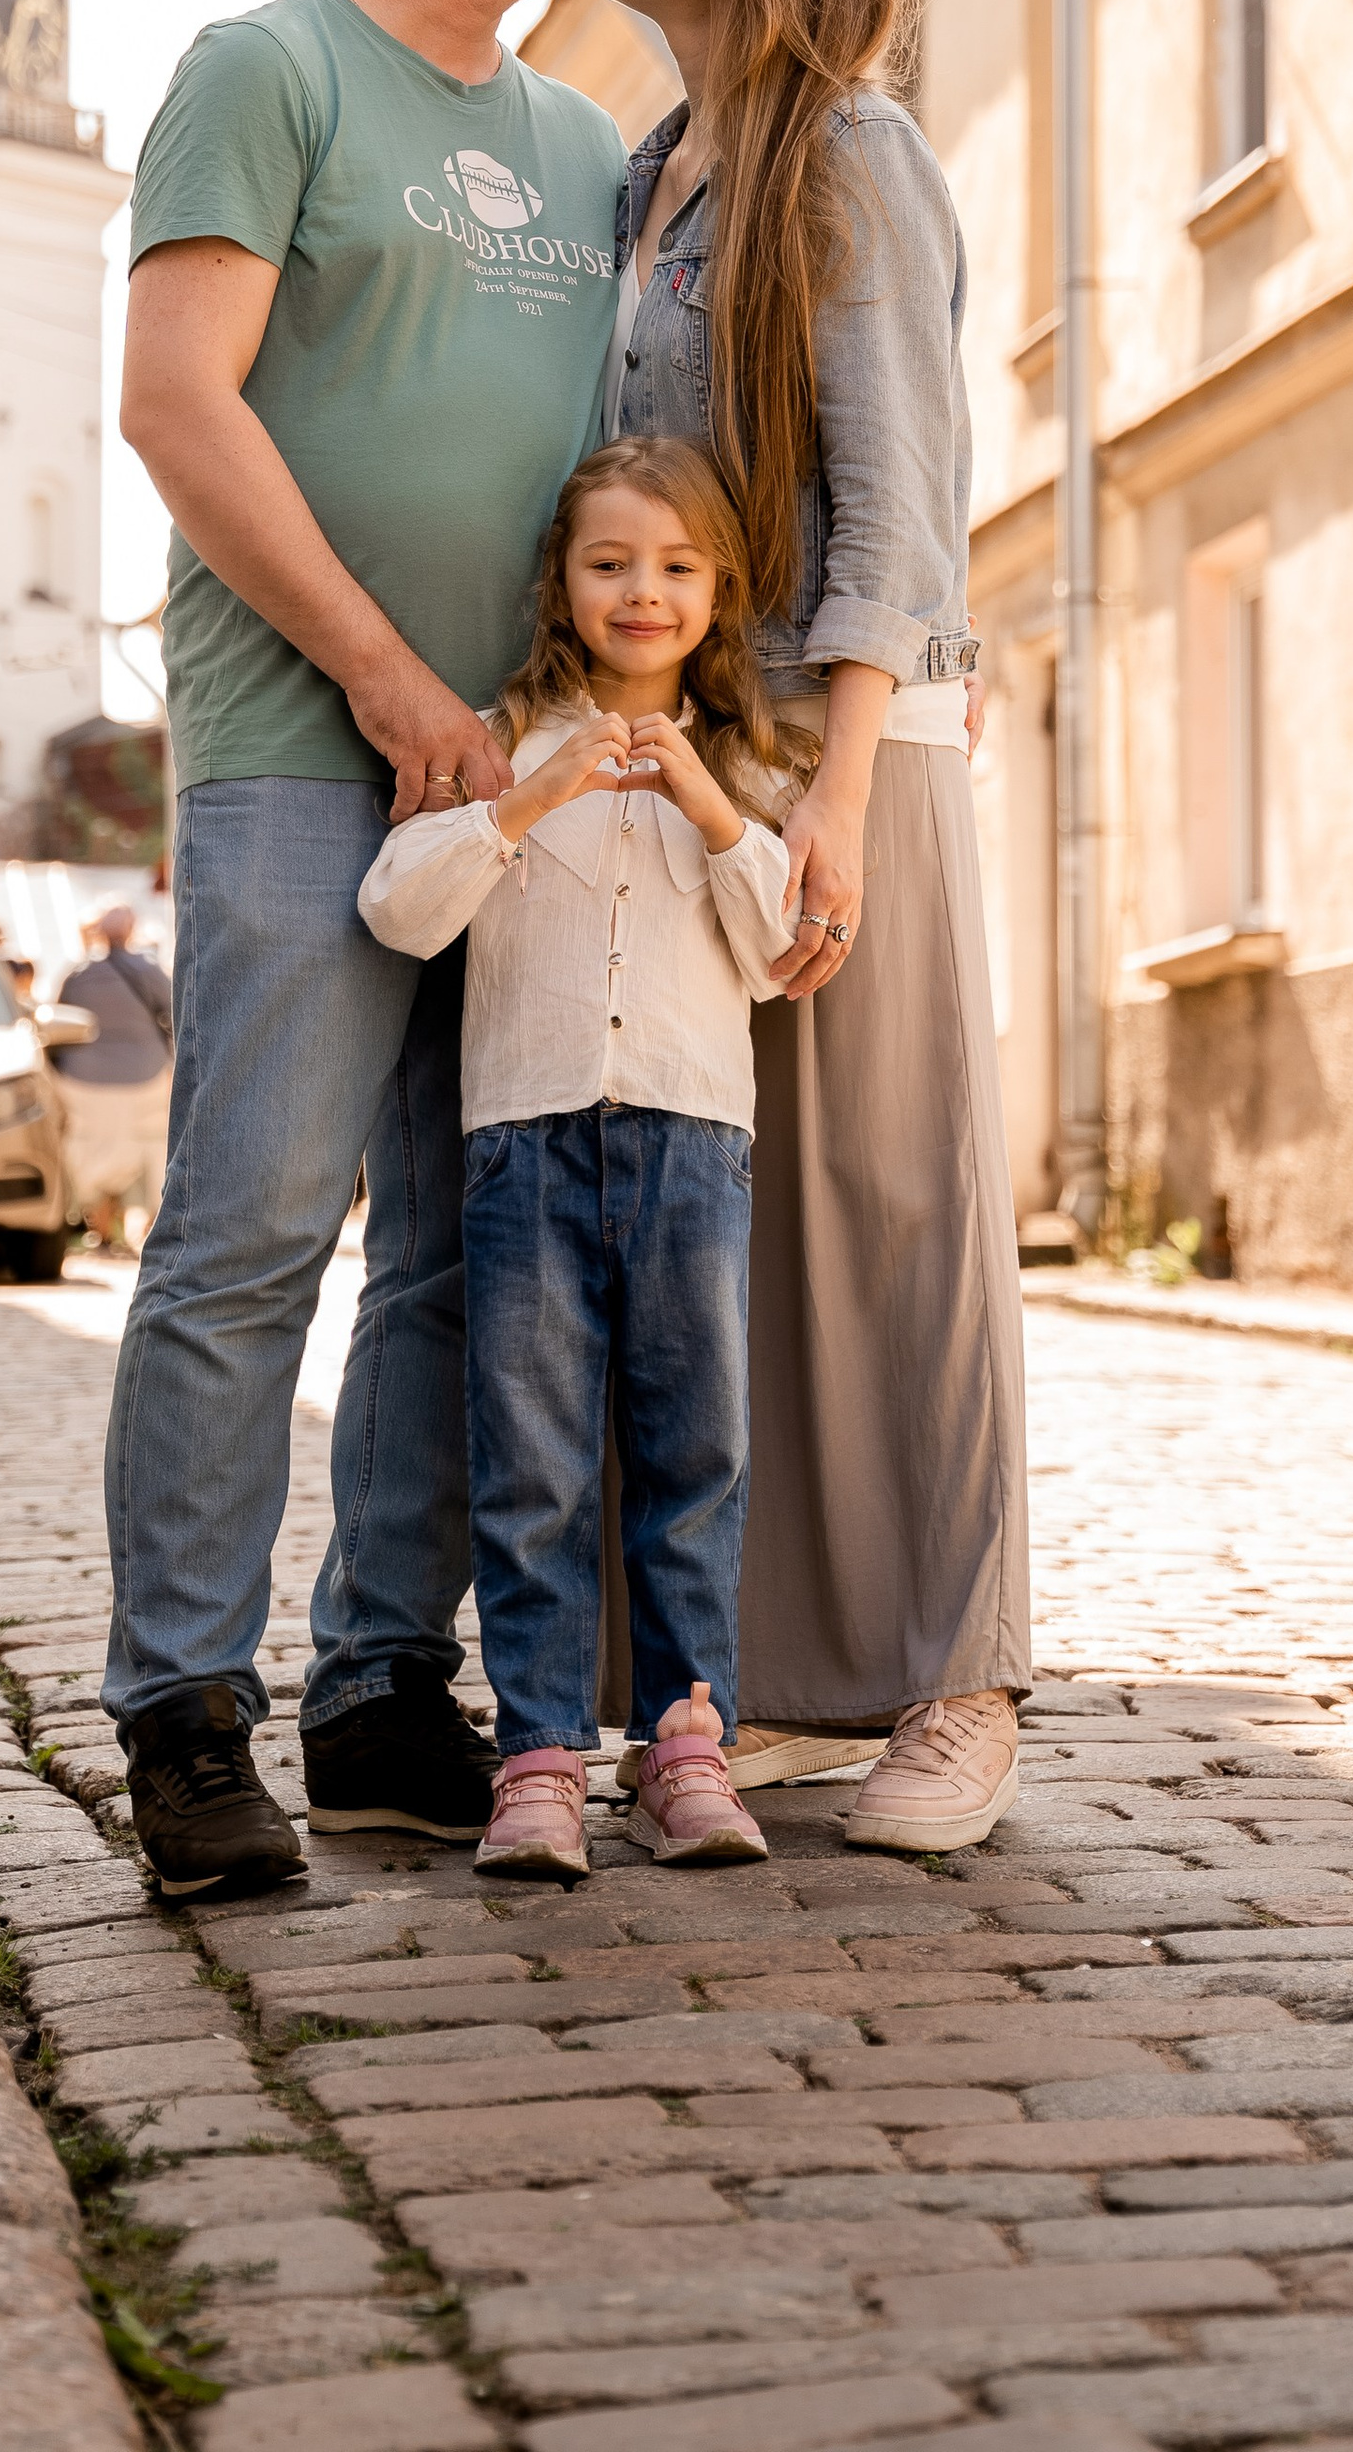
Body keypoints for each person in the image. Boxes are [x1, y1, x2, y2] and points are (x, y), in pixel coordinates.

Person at [105, 0, 632, 1898]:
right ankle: (179, 1712)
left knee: (453, 1259)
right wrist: (392, 680)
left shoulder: (587, 144)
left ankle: (382, 1690)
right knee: (248, 1235)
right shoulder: (269, 71)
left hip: (519, 796)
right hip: (303, 765)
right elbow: (176, 403)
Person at [600, 0, 1028, 1853]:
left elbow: (900, 497)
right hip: (696, 756)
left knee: (895, 1206)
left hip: (851, 744)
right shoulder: (643, 179)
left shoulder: (854, 154)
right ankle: (775, 1676)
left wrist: (839, 792)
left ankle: (960, 1686)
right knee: (732, 1228)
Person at [360, 439, 798, 1884]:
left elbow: (784, 954)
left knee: (694, 1456)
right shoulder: (499, 736)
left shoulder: (748, 758)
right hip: (524, 1147)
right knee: (531, 1464)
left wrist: (710, 806)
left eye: (676, 566)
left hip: (691, 1144)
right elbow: (399, 911)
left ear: (717, 591)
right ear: (561, 580)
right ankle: (539, 1759)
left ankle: (684, 1749)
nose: (642, 590)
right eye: (610, 562)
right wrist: (527, 799)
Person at [52, 906, 174, 1249]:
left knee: (93, 1149)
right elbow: (176, 1013)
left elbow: (59, 1019)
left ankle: (101, 1229)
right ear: (131, 930)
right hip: (145, 1078)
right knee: (146, 1148)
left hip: (83, 1080)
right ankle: (144, 1231)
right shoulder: (149, 970)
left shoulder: (78, 974)